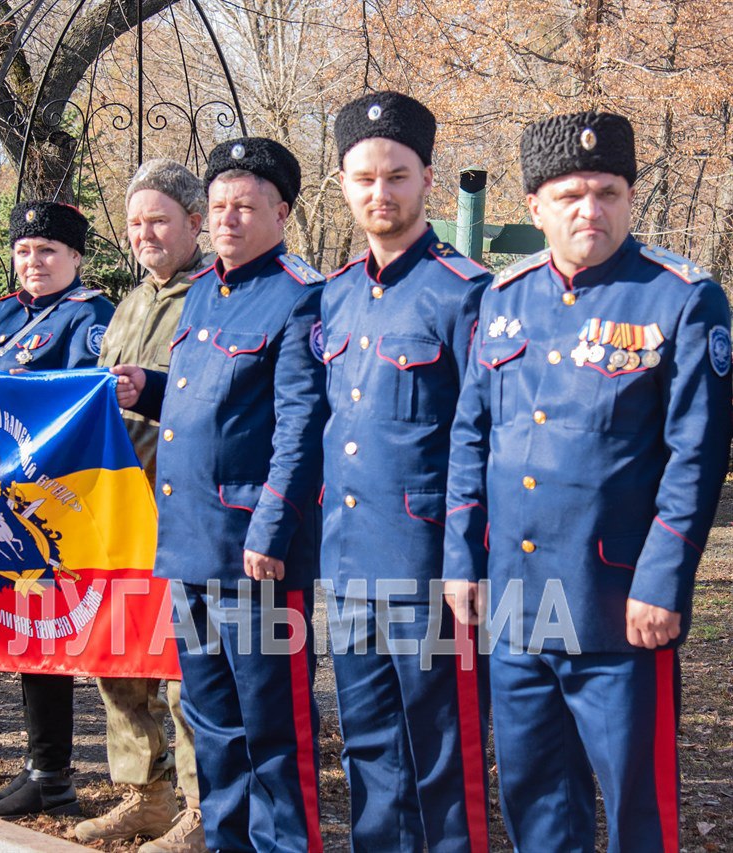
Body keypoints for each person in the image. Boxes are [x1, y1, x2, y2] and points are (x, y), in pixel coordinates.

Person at [443, 111, 732, 851]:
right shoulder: (502, 300)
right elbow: (472, 436)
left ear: (630, 197)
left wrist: (664, 582)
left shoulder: (681, 298)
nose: (590, 209)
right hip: (516, 601)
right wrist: (461, 561)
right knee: (537, 799)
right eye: (570, 194)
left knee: (638, 803)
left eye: (607, 191)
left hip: (617, 603)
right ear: (536, 206)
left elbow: (695, 455)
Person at [112, 138, 329, 853]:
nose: (230, 219)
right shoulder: (205, 289)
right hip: (190, 541)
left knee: (273, 725)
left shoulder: (301, 298)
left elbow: (299, 426)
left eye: (247, 206)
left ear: (282, 211)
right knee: (213, 722)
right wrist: (150, 386)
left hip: (254, 552)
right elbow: (215, 398)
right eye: (222, 206)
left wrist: (271, 527)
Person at [322, 92, 491, 851]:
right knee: (367, 746)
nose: (379, 193)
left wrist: (466, 560)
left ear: (427, 177)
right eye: (364, 178)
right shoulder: (336, 294)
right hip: (350, 561)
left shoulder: (467, 292)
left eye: (396, 176)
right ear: (343, 184)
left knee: (441, 750)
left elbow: (480, 440)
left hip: (429, 566)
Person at [0, 201, 114, 819]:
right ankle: (44, 771)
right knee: (29, 634)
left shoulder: (88, 316)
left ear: (75, 257)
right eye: (24, 251)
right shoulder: (5, 313)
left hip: (58, 503)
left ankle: (56, 774)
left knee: (58, 633)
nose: (34, 262)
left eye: (47, 251)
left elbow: (78, 400)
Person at [73, 159, 206, 853]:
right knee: (119, 658)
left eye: (159, 220)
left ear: (195, 221)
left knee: (186, 668)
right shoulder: (127, 303)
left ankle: (201, 806)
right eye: (134, 223)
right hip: (116, 515)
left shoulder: (213, 295)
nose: (145, 234)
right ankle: (144, 795)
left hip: (181, 512)